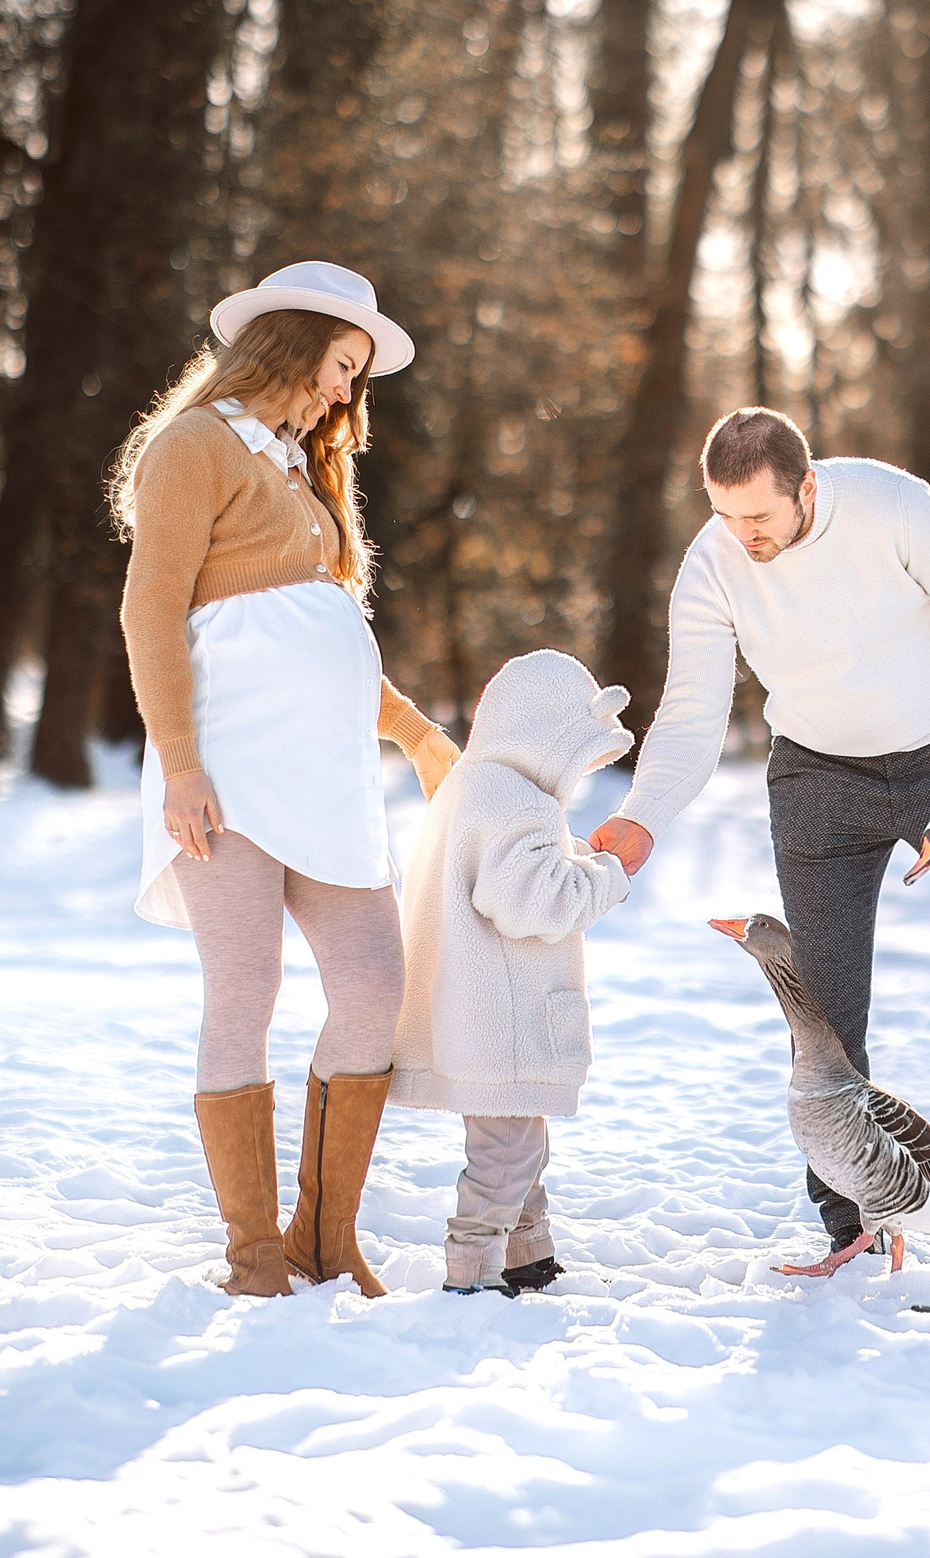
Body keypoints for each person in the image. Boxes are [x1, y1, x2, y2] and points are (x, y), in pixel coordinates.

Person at [587, 407, 930, 1255]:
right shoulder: (714, 561)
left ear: (807, 486)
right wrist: (643, 814)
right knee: (824, 1016)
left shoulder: (891, 506)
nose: (741, 534)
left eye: (758, 515)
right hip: (819, 780)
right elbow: (691, 707)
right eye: (723, 513)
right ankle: (855, 1221)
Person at [114, 259, 459, 1300]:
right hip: (228, 769)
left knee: (374, 987)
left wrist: (415, 734)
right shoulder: (192, 446)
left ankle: (324, 1239)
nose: (347, 391)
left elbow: (322, 639)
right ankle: (255, 1258)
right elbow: (151, 610)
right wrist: (181, 766)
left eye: (358, 374)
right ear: (292, 344)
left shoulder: (302, 471)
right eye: (342, 365)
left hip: (325, 779)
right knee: (246, 989)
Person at [389, 649, 635, 1296]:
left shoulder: (471, 788)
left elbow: (501, 873)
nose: (575, 779)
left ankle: (526, 1251)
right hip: (504, 1024)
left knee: (519, 1146)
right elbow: (532, 902)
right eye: (577, 760)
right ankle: (473, 1270)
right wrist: (608, 875)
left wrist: (570, 852)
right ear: (544, 738)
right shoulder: (518, 802)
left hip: (472, 1015)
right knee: (507, 1155)